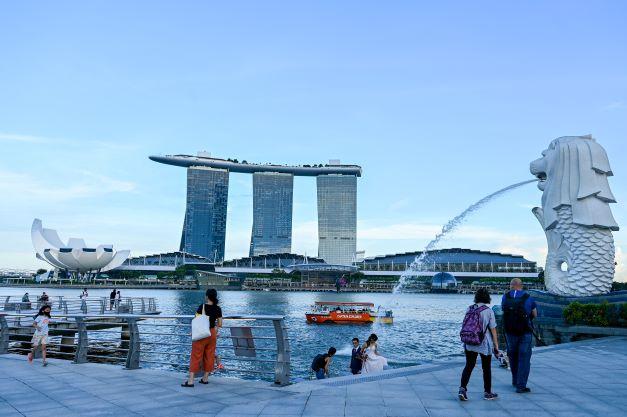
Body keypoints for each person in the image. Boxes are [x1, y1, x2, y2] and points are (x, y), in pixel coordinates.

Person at [458, 288, 500, 401]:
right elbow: (493, 330)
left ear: (476, 297)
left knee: (469, 366)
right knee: (486, 368)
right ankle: (487, 392)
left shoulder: (469, 308)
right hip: (483, 342)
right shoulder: (488, 311)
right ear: (487, 297)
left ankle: (462, 389)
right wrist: (496, 346)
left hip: (469, 341)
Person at [502, 278, 537, 393]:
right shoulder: (528, 297)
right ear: (521, 285)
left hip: (510, 331)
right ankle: (521, 386)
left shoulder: (505, 297)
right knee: (524, 357)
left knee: (512, 356)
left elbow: (503, 310)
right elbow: (534, 314)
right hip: (525, 332)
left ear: (511, 285)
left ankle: (515, 380)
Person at [182, 288, 222, 387]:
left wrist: (192, 332)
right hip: (212, 333)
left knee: (196, 356)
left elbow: (196, 320)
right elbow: (220, 324)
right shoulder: (218, 308)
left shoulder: (202, 307)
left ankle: (191, 381)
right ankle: (205, 378)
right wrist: (215, 327)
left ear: (207, 296)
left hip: (201, 334)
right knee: (209, 355)